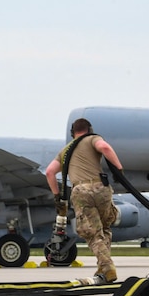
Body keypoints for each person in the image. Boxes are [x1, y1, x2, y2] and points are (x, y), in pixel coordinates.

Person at [45, 118, 124, 285]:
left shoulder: (65, 151)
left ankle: (107, 266)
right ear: (89, 129)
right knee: (104, 228)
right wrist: (119, 170)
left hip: (80, 191)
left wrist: (57, 196)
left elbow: (49, 172)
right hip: (101, 188)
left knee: (92, 233)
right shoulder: (93, 138)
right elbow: (105, 147)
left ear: (72, 133)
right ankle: (103, 269)